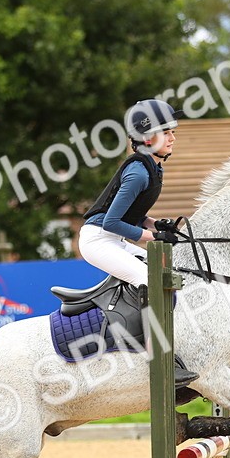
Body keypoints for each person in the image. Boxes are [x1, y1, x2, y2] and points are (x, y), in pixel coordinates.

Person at [81, 99, 197, 387]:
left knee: (166, 268)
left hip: (114, 236)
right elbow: (110, 222)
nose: (173, 136)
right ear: (147, 138)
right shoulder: (138, 172)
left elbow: (134, 215)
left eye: (172, 131)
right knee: (148, 279)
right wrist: (153, 237)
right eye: (166, 131)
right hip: (98, 240)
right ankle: (158, 358)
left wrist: (156, 224)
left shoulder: (152, 167)